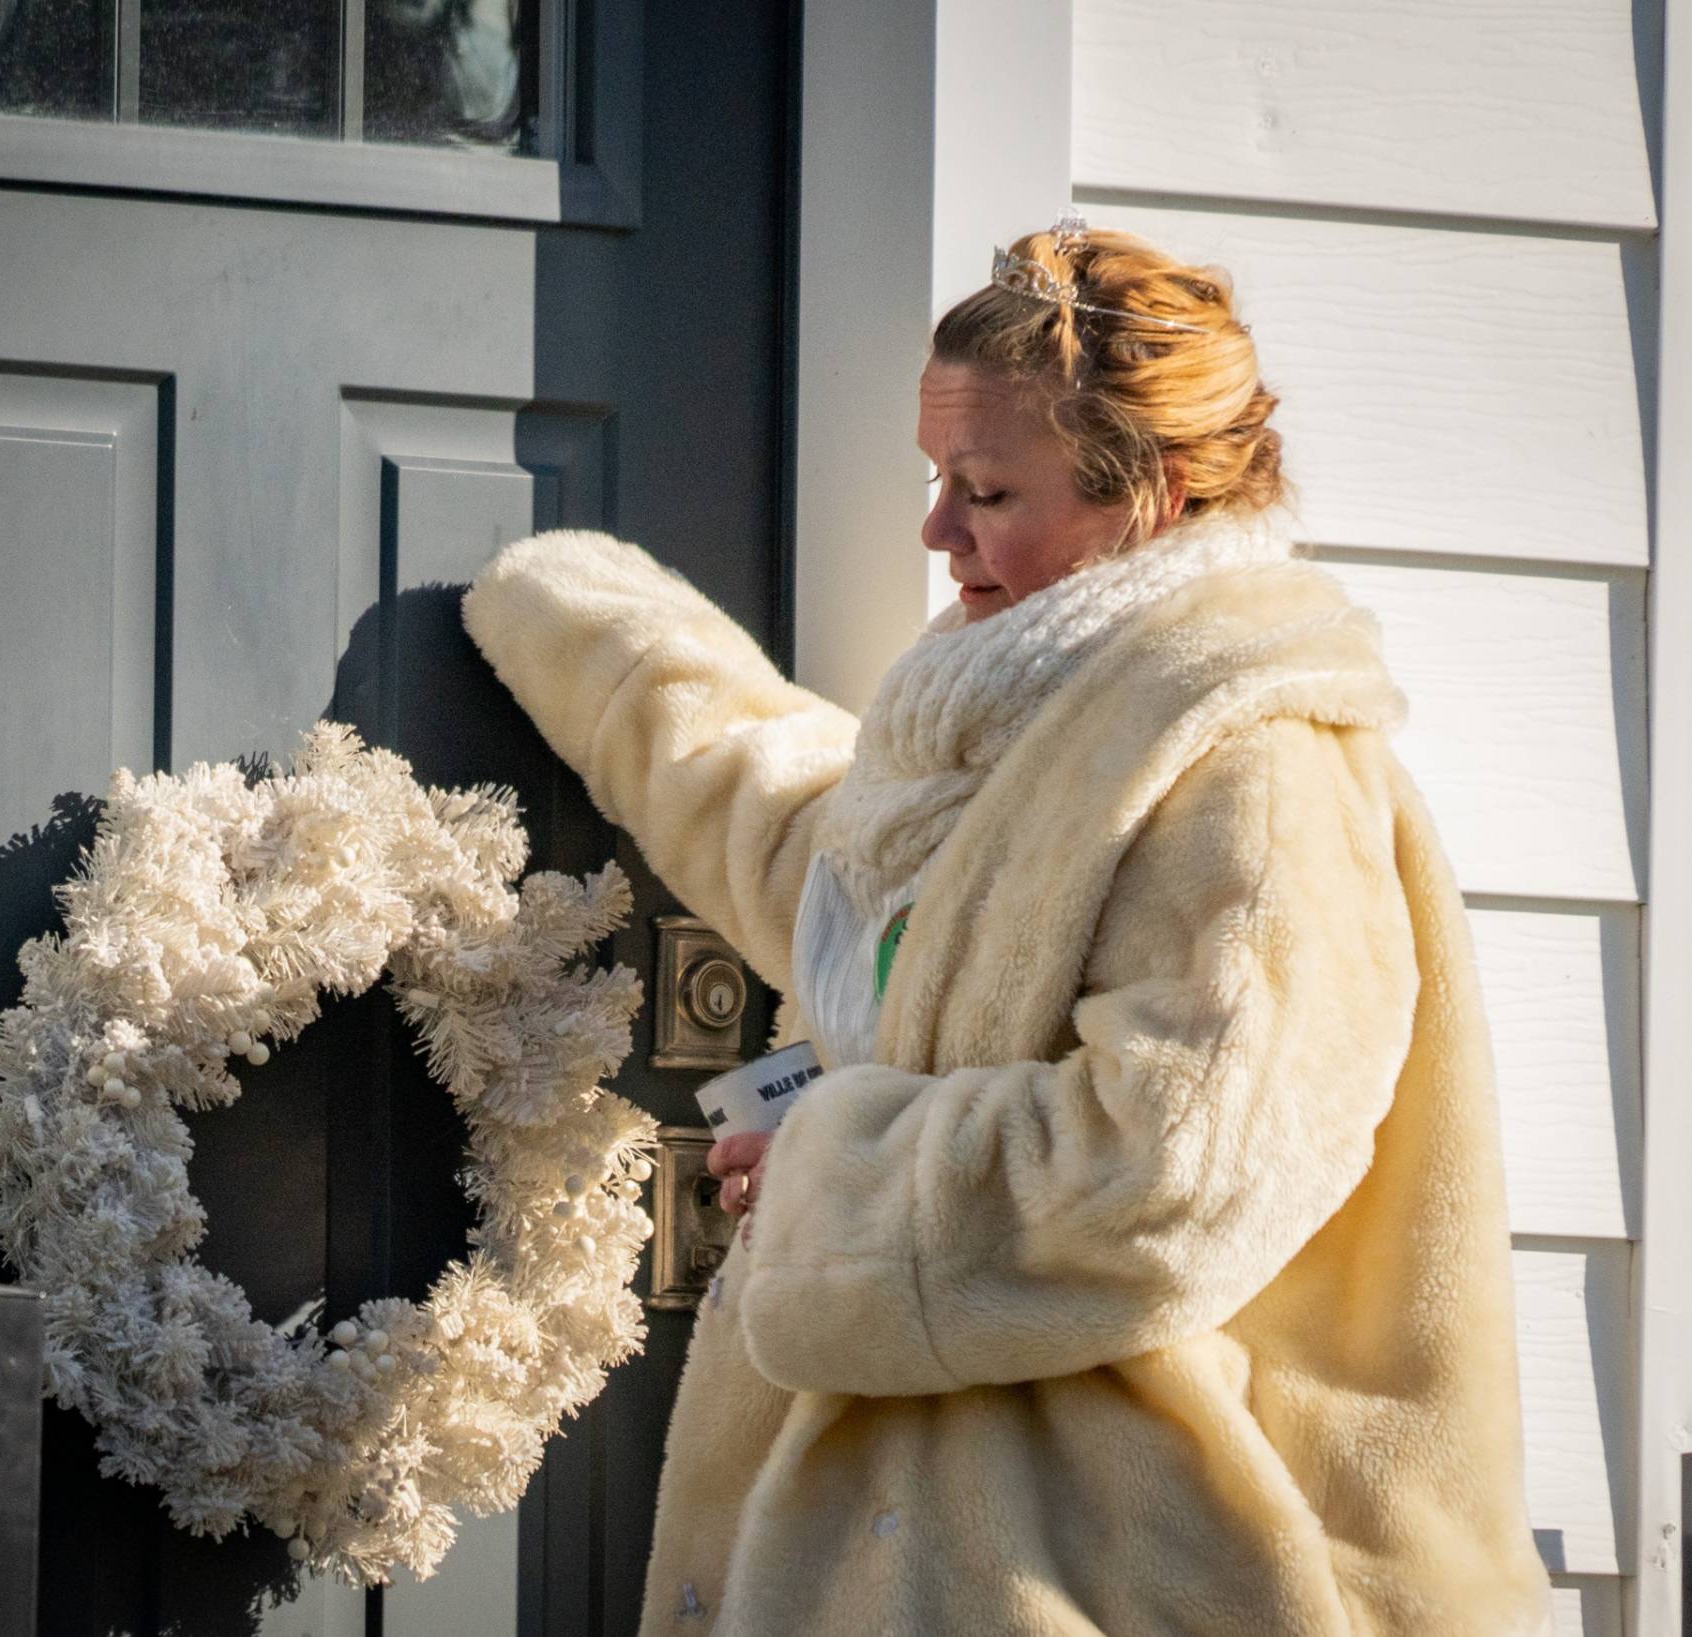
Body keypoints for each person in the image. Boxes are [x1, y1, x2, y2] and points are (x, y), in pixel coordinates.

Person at [461, 218, 1553, 1636]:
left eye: (983, 488)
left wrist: (827, 1177)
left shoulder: (1255, 769)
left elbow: (1173, 1167)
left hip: (1117, 1572)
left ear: (1147, 494)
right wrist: (611, 658)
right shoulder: (1017, 718)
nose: (934, 531)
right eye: (935, 480)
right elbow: (849, 887)